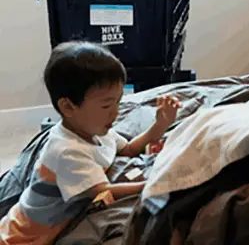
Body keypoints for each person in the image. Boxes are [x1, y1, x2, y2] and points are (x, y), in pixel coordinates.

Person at [0, 41, 180, 244]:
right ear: (68, 107)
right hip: (24, 235)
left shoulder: (94, 128)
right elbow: (104, 190)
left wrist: (160, 125)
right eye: (106, 105)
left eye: (118, 102)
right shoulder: (67, 151)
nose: (116, 112)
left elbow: (128, 150)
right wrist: (151, 183)